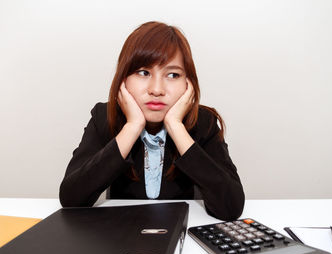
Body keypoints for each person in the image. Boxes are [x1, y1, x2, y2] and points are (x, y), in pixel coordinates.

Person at [59, 21, 244, 220]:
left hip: (184, 235)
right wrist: (132, 127)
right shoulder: (104, 117)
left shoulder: (204, 123)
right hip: (120, 236)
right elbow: (71, 200)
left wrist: (176, 126)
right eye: (143, 73)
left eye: (173, 75)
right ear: (123, 79)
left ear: (188, 83)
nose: (157, 89)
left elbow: (231, 208)